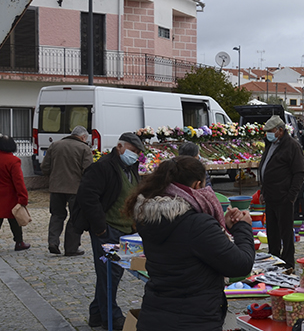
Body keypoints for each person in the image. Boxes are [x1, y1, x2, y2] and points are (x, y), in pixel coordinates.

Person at [126, 156, 254, 330]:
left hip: (155, 316)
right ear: (196, 186)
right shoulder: (196, 224)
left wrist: (219, 227)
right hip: (192, 320)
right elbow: (241, 264)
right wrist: (243, 228)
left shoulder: (151, 217)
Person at [69, 132, 145, 329]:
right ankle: (111, 317)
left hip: (125, 231)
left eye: (138, 152)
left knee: (112, 274)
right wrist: (100, 228)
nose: (135, 155)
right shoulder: (102, 167)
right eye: (133, 151)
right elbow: (87, 197)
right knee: (108, 275)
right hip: (107, 230)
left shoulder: (130, 168)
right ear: (120, 147)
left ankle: (96, 314)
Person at [259, 115, 304, 265]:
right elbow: (266, 168)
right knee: (272, 232)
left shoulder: (292, 146)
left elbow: (299, 173)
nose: (268, 134)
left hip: (284, 196)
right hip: (271, 196)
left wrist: (291, 196)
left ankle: (287, 264)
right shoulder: (271, 145)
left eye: (270, 130)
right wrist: (263, 190)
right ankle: (273, 260)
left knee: (286, 233)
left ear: (280, 130)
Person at [41, 125, 91, 255]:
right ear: (82, 137)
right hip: (76, 189)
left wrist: (53, 177)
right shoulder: (84, 148)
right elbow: (88, 171)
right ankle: (71, 248)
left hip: (56, 187)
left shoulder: (55, 145)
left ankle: (53, 242)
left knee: (57, 215)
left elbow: (45, 167)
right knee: (75, 218)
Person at [0, 134, 29, 251]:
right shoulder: (13, 161)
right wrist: (23, 197)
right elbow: (18, 181)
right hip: (9, 197)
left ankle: (19, 242)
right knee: (15, 219)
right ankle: (19, 242)